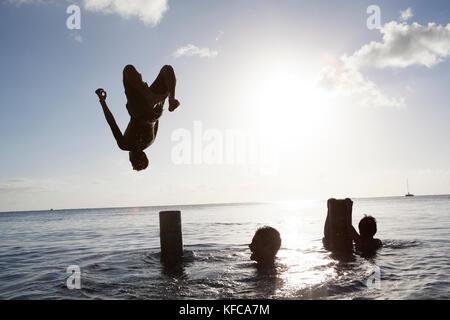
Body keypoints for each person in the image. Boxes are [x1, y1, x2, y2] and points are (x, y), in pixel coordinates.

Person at [95, 64, 180, 171]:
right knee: (128, 70)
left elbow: (156, 120)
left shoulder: (151, 141)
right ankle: (155, 97)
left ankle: (172, 98)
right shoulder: (124, 145)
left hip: (155, 113)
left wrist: (165, 95)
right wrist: (102, 101)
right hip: (139, 112)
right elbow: (112, 123)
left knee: (167, 70)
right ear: (131, 158)